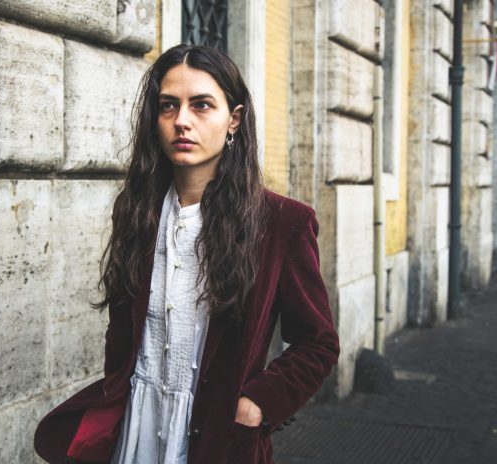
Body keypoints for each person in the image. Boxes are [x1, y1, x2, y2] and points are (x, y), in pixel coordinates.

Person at [34, 44, 340, 464]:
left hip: (217, 437)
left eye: (201, 106)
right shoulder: (138, 211)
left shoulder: (282, 223)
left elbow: (317, 343)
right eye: (167, 106)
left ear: (233, 120)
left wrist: (258, 404)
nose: (181, 121)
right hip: (136, 430)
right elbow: (122, 332)